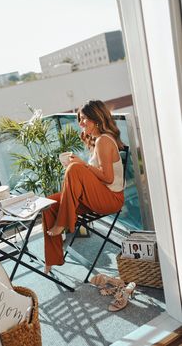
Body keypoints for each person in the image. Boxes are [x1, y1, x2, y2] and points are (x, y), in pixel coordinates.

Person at [43, 99, 125, 274]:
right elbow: (96, 177)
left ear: (97, 119)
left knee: (75, 167)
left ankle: (64, 222)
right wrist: (78, 171)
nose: (80, 123)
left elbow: (108, 178)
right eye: (79, 119)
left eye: (84, 119)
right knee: (48, 203)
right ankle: (52, 259)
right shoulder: (98, 141)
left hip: (111, 199)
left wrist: (82, 166)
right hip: (98, 196)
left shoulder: (104, 140)